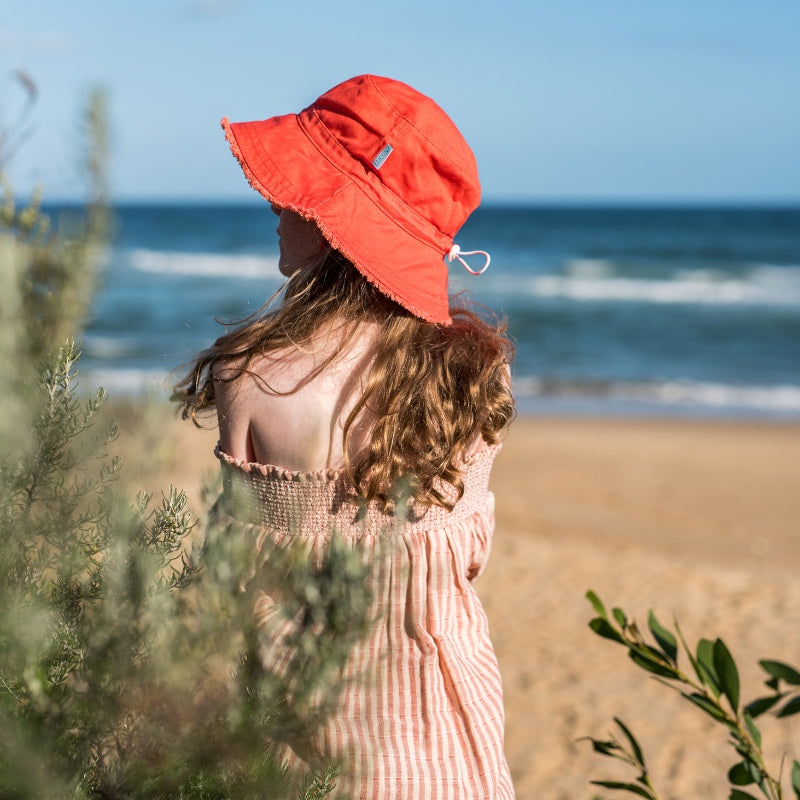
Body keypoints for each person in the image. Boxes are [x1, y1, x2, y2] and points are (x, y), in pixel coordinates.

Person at [176, 74, 515, 799]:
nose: (274, 202)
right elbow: (467, 561)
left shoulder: (253, 379)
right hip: (451, 755)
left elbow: (233, 582)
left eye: (296, 191)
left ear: (338, 223)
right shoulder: (476, 378)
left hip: (304, 760)